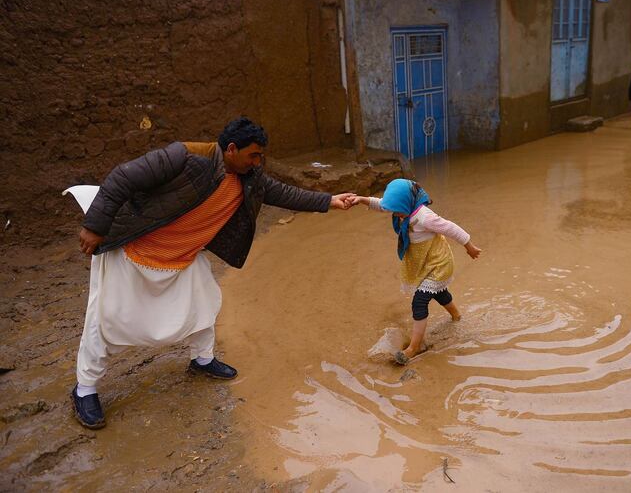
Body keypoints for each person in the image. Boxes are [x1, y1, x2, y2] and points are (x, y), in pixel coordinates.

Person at [70, 117, 355, 429]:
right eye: (254, 155)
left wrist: (330, 201)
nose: (258, 162)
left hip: (183, 257)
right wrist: (94, 226)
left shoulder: (249, 177)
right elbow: (122, 177)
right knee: (104, 319)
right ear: (231, 149)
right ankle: (85, 389)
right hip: (135, 250)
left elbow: (284, 193)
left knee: (205, 304)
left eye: (261, 156)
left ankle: (202, 360)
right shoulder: (185, 157)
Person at [349, 179, 482, 365]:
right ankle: (456, 315)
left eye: (396, 210)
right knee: (439, 292)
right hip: (424, 262)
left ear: (405, 204)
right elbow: (382, 205)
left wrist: (470, 247)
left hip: (438, 264)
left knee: (420, 301)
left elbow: (451, 228)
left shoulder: (425, 217)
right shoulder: (402, 209)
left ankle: (414, 347)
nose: (393, 214)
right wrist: (362, 200)